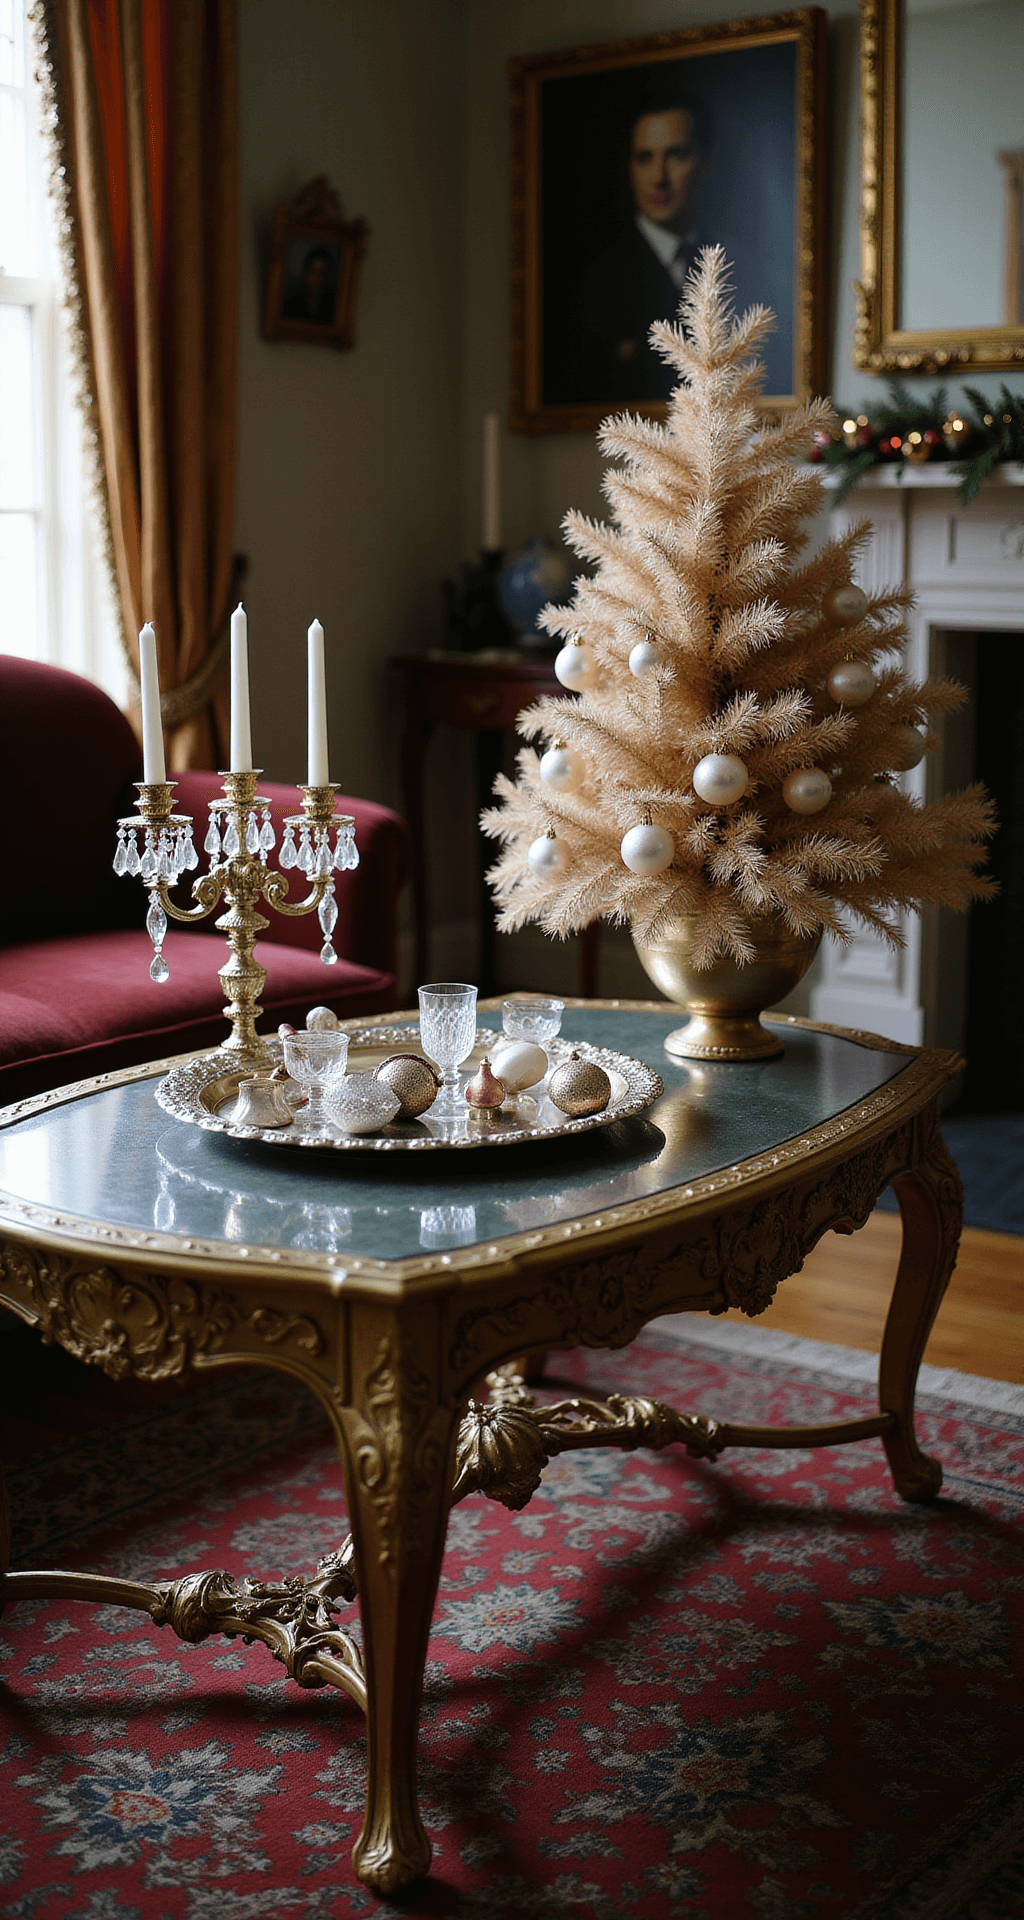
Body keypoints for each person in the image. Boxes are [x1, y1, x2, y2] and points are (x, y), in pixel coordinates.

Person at [570, 87, 716, 404]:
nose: (659, 178)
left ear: (706, 164)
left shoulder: (745, 264)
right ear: (630, 169)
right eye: (645, 158)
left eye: (676, 155)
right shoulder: (598, 280)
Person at [282, 244, 337, 325]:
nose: (318, 278)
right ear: (306, 273)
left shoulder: (332, 308)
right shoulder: (291, 304)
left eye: (322, 273)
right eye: (314, 272)